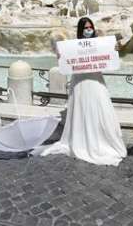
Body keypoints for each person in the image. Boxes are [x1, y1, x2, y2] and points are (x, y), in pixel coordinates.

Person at [39, 18, 127, 165]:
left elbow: (108, 58)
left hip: (95, 80)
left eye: (90, 27)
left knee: (100, 109)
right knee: (81, 110)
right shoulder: (73, 45)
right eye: (86, 28)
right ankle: (82, 142)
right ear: (81, 30)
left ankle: (103, 141)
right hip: (79, 81)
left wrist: (114, 50)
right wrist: (60, 56)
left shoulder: (100, 43)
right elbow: (65, 62)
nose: (88, 30)